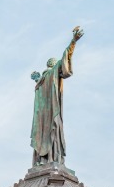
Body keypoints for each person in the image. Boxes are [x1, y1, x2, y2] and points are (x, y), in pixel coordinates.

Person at [31, 26, 84, 166]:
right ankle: (50, 158)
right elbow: (65, 56)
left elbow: (65, 58)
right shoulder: (47, 77)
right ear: (54, 66)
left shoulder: (42, 81)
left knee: (46, 134)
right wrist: (73, 41)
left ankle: (45, 158)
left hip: (44, 117)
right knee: (51, 132)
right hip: (49, 114)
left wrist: (73, 42)